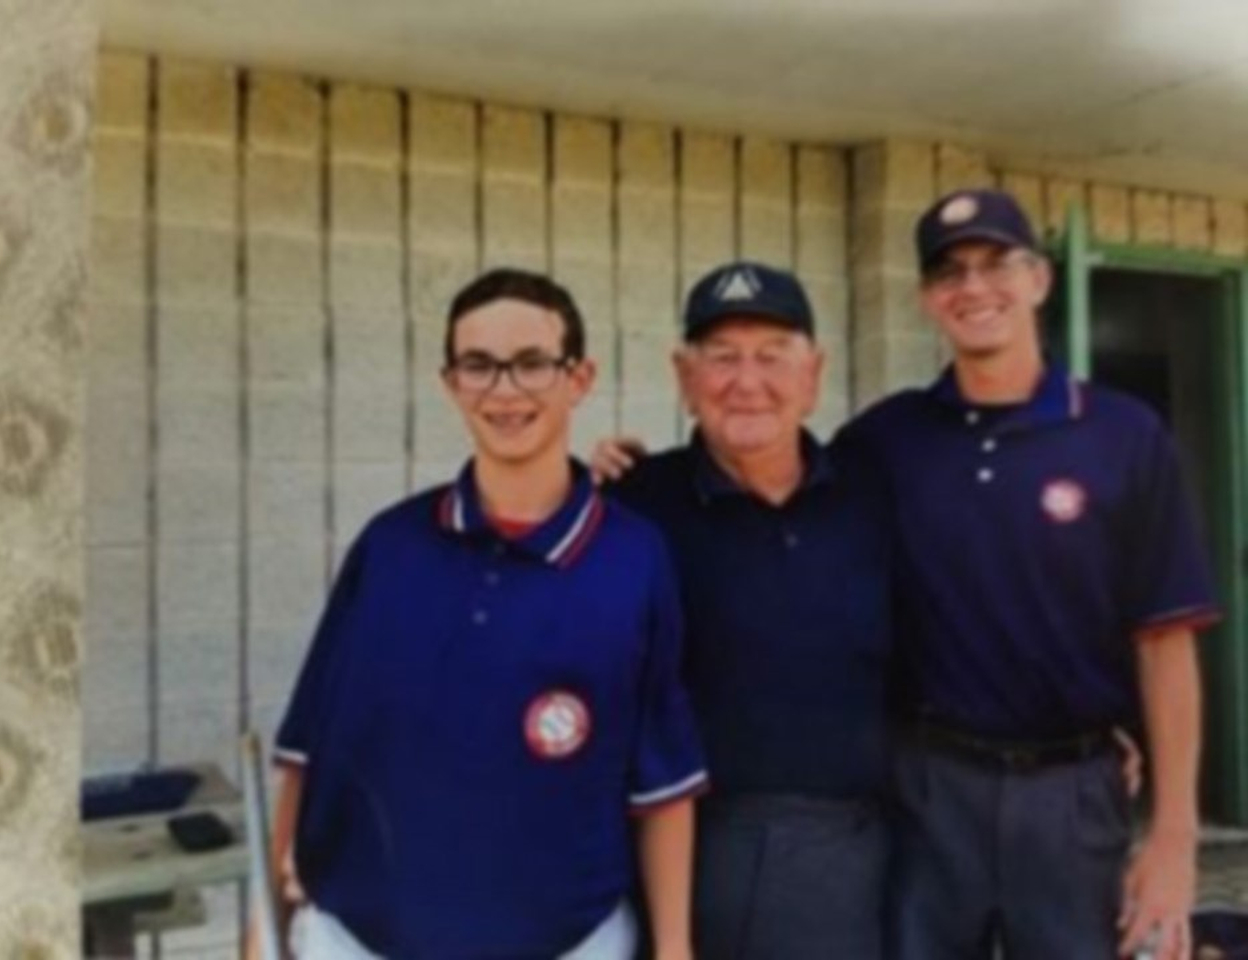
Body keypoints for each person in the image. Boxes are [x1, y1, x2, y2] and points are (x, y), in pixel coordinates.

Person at [255, 268, 707, 960]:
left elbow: (664, 786)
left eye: (531, 364)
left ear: (579, 379)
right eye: (479, 366)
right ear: (450, 383)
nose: (504, 391)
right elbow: (307, 747)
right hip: (359, 939)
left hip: (569, 941)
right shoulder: (390, 545)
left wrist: (674, 950)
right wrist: (262, 930)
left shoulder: (637, 558)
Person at [838, 188, 1219, 960]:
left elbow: (1165, 643)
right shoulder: (886, 440)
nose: (974, 288)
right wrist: (638, 474)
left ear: (1039, 279)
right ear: (927, 299)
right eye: (950, 272)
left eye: (996, 264)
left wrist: (1175, 838)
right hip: (928, 788)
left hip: (1073, 794)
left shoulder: (1123, 435)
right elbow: (777, 502)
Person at [595, 261, 894, 959]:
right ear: (684, 377)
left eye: (772, 356)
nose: (747, 381)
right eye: (722, 358)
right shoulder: (633, 506)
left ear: (813, 373)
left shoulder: (874, 495)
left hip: (846, 854)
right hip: (680, 846)